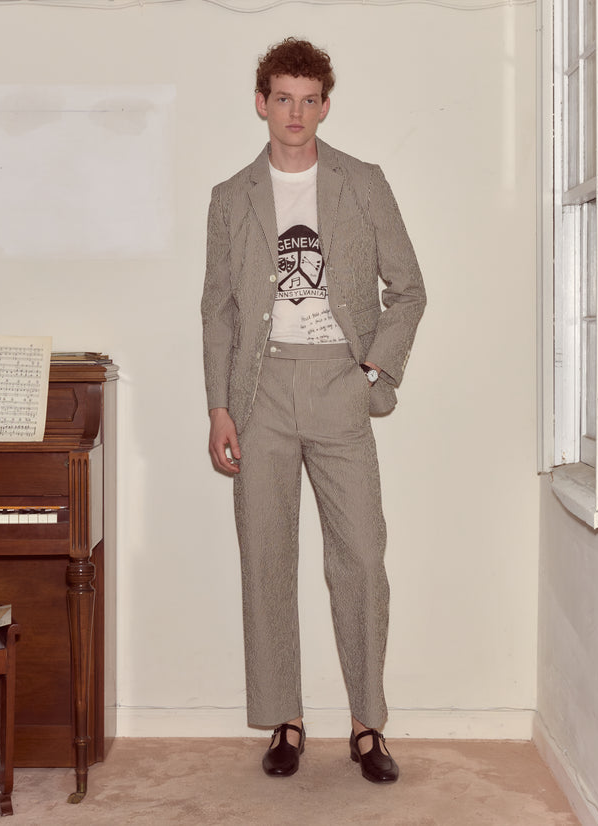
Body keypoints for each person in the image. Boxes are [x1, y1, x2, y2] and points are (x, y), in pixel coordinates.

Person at [201, 37, 426, 783]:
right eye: (283, 97)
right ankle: (286, 718)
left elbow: (409, 290)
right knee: (266, 557)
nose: (296, 112)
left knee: (361, 556)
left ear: (325, 105)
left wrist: (372, 368)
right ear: (261, 102)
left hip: (337, 385)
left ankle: (367, 723)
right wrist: (220, 407)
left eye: (310, 99)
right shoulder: (232, 197)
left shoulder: (362, 182)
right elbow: (220, 312)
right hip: (259, 394)